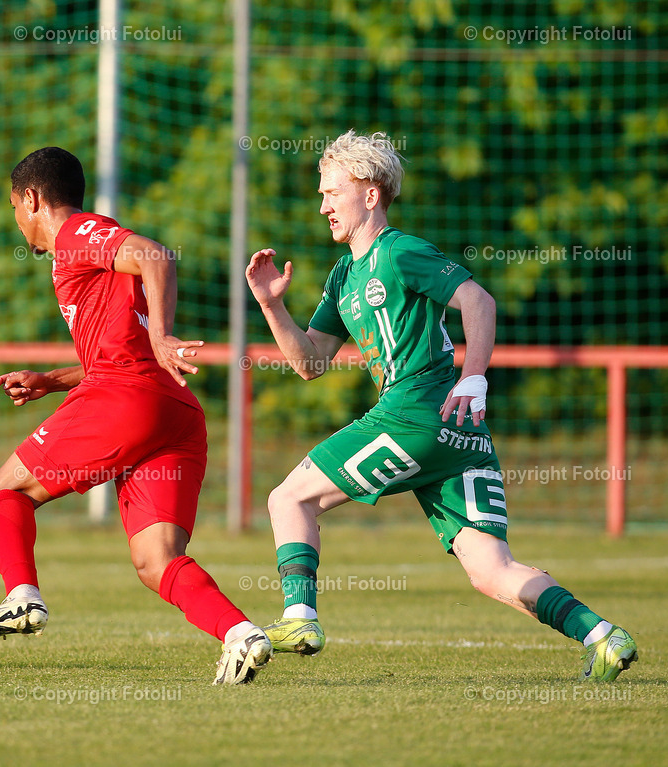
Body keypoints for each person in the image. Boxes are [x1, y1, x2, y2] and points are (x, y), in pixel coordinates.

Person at [245, 130, 637, 681]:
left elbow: (478, 299)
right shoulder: (342, 276)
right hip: (459, 434)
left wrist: (473, 377)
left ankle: (299, 617)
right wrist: (270, 305)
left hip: (416, 412)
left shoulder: (400, 251)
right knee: (491, 569)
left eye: (333, 192)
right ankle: (602, 636)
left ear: (371, 194)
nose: (323, 204)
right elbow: (311, 363)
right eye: (321, 193)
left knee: (288, 499)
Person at [0, 147, 272, 685]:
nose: (16, 221)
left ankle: (22, 598)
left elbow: (159, 256)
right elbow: (115, 346)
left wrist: (163, 335)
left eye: (13, 207)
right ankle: (241, 634)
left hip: (126, 397)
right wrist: (52, 381)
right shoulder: (95, 252)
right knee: (157, 560)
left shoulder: (77, 233)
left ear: (31, 199)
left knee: (5, 492)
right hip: (172, 410)